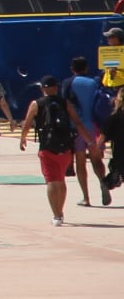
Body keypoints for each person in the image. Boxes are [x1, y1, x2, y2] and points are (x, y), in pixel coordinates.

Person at [20, 74, 89, 226]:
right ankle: (61, 211)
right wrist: (89, 140)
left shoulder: (36, 104)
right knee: (61, 180)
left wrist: (22, 138)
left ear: (42, 88)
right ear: (56, 88)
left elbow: (27, 123)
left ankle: (56, 215)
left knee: (51, 181)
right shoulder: (65, 103)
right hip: (65, 147)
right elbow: (77, 123)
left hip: (47, 147)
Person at [65, 55, 106, 207]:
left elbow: (65, 105)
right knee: (96, 159)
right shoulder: (95, 82)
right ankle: (103, 182)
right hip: (94, 126)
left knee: (80, 162)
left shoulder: (68, 83)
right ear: (86, 68)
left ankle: (86, 197)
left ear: (72, 69)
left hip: (77, 127)